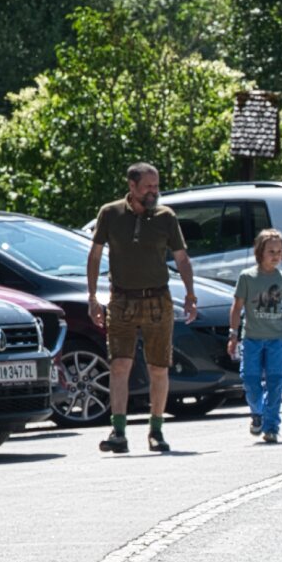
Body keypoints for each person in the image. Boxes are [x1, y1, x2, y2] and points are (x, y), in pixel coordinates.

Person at [87, 163, 196, 454]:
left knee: (158, 367)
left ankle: (156, 431)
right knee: (119, 364)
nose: (153, 192)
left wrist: (190, 294)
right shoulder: (110, 213)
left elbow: (182, 258)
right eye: (148, 187)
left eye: (156, 186)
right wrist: (92, 297)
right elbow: (95, 256)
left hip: (158, 301)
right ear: (132, 186)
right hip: (121, 300)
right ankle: (118, 432)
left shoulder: (165, 217)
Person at [227, 228, 282, 444]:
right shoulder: (247, 277)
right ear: (260, 252)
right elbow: (236, 307)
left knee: (275, 382)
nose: (275, 256)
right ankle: (257, 412)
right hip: (252, 339)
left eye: (279, 251)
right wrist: (233, 335)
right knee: (250, 381)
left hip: (276, 341)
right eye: (271, 251)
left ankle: (271, 427)